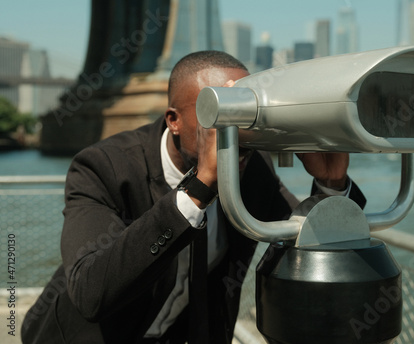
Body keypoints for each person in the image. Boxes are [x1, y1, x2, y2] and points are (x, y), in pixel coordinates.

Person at [22, 50, 366, 344]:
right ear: (174, 120)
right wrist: (199, 187)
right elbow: (89, 292)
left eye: (244, 112)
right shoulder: (104, 168)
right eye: (217, 112)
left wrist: (330, 184)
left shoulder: (251, 167)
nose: (235, 130)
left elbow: (306, 239)